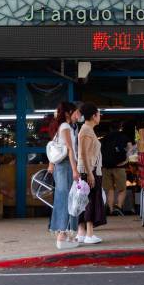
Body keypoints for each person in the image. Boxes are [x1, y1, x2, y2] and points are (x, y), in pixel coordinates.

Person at [47, 102, 80, 249]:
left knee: (62, 199)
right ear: (68, 113)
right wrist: (75, 169)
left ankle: (63, 235)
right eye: (76, 112)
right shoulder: (66, 127)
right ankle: (62, 235)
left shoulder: (60, 127)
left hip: (60, 167)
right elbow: (70, 150)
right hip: (65, 166)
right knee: (66, 200)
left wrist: (51, 165)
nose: (78, 115)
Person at [76, 102, 107, 244]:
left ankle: (82, 233)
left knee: (85, 200)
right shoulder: (87, 130)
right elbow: (84, 153)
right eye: (99, 114)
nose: (100, 116)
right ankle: (89, 234)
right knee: (90, 201)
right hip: (89, 170)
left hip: (89, 169)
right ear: (94, 116)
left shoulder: (87, 129)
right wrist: (90, 173)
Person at [101, 122, 130, 216]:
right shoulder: (124, 137)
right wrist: (126, 160)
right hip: (119, 166)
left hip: (106, 167)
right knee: (122, 189)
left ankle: (110, 209)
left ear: (110, 128)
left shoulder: (104, 138)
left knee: (110, 189)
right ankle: (119, 207)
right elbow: (130, 149)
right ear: (120, 128)